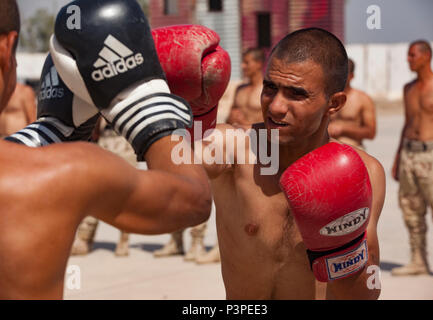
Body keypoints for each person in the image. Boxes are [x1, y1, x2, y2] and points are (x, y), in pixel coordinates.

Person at [0, 0, 213, 299]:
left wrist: (51, 132)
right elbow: (193, 199)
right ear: (5, 51)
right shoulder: (59, 173)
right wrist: (143, 103)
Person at [195, 27, 385, 299]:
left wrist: (343, 248)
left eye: (296, 94)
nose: (275, 107)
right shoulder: (233, 148)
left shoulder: (366, 172)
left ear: (335, 103)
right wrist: (190, 107)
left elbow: (366, 293)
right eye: (270, 88)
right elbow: (172, 171)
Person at [391, 40, 433, 281]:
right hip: (409, 154)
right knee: (411, 211)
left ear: (426, 56)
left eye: (412, 55)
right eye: (407, 55)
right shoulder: (408, 88)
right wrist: (397, 157)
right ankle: (418, 260)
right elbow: (407, 124)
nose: (408, 59)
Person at [71, 118, 136, 257]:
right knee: (94, 191)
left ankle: (124, 239)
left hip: (124, 140)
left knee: (125, 194)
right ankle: (85, 237)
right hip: (104, 139)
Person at [328, 58, 376, 149]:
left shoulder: (363, 99)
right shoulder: (327, 97)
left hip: (354, 149)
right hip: (328, 150)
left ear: (351, 76)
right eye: (337, 74)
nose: (339, 78)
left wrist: (343, 129)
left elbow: (371, 133)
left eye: (343, 75)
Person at [227, 48, 265, 126]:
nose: (242, 66)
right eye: (242, 62)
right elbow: (229, 119)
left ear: (259, 64)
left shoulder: (266, 90)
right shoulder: (240, 89)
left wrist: (244, 123)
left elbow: (271, 125)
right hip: (239, 136)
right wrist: (231, 118)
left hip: (260, 137)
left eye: (246, 63)